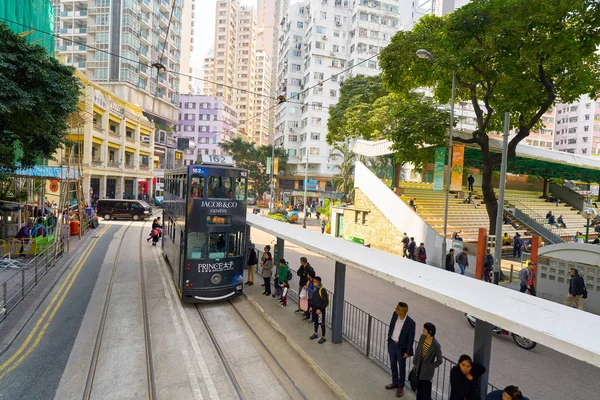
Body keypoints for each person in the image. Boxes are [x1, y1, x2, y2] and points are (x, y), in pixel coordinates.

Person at [385, 302, 416, 398]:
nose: (395, 309)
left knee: (401, 367)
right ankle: (395, 382)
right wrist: (389, 338)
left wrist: (408, 352)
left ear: (403, 311)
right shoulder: (395, 315)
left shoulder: (411, 323)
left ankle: (400, 386)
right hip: (392, 344)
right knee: (393, 364)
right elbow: (391, 326)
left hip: (401, 348)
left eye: (398, 308)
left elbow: (411, 338)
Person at [412, 323, 443, 400]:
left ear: (430, 331)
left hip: (426, 371)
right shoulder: (422, 337)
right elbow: (418, 350)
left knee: (425, 391)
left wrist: (430, 367)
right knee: (418, 388)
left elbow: (439, 360)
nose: (423, 330)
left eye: (425, 329)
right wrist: (415, 362)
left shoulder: (436, 345)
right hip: (419, 367)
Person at [309, 276, 329, 344]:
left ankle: (323, 337)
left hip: (320, 310)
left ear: (318, 282)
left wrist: (320, 309)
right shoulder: (316, 289)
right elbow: (313, 298)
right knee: (316, 321)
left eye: (314, 282)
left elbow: (326, 302)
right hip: (315, 308)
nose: (313, 283)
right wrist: (311, 306)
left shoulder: (322, 290)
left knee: (321, 323)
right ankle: (316, 333)